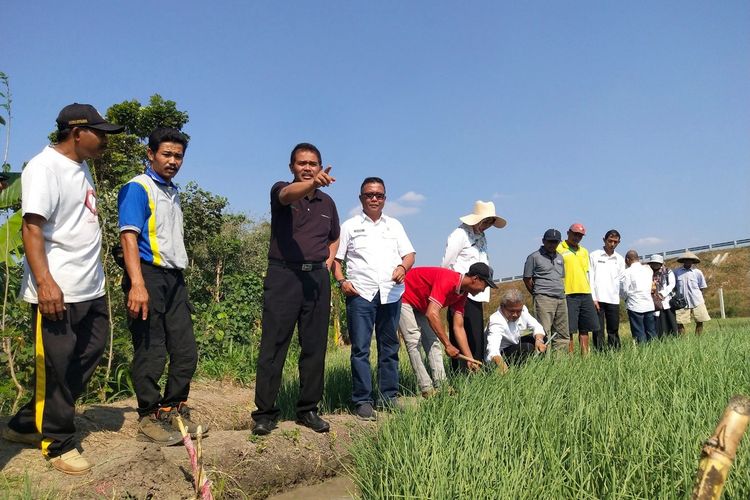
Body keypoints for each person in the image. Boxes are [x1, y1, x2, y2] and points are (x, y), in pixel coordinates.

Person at [1, 104, 123, 474]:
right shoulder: (45, 167)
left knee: (89, 352)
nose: (104, 140)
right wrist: (46, 283)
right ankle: (57, 444)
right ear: (76, 132)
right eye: (99, 133)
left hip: (90, 288)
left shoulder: (79, 166)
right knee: (57, 366)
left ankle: (27, 422)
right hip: (58, 290)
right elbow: (31, 228)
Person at [118, 128, 205, 445]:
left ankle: (173, 408)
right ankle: (149, 416)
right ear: (150, 153)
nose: (173, 161)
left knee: (186, 351)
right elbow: (128, 237)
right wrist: (137, 284)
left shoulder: (171, 191)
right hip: (147, 275)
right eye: (166, 154)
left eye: (178, 155)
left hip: (173, 278)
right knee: (151, 349)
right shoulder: (137, 188)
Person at [252, 143, 340, 436]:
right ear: (291, 167)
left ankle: (308, 410)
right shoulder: (282, 191)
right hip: (283, 276)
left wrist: (326, 264)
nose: (307, 167)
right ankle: (265, 413)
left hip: (316, 279)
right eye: (301, 163)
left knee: (314, 347)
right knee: (273, 346)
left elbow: (334, 238)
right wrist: (310, 184)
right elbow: (287, 194)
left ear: (320, 165)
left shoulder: (328, 204)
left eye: (312, 163)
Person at [333, 177, 416, 421]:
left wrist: (403, 267)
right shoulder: (349, 226)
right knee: (360, 348)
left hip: (390, 293)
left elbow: (409, 254)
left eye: (379, 195)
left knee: (389, 347)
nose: (374, 199)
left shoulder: (395, 225)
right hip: (361, 294)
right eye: (369, 195)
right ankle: (362, 399)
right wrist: (342, 282)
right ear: (361, 198)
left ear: (385, 199)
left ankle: (388, 396)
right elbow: (337, 261)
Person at [399, 263, 495, 397]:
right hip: (404, 294)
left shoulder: (462, 294)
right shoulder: (448, 280)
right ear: (476, 279)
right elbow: (432, 314)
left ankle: (442, 386)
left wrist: (470, 359)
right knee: (414, 340)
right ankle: (426, 388)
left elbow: (458, 326)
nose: (484, 290)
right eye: (485, 285)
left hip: (422, 304)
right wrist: (448, 345)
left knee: (433, 342)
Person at [441, 201, 506, 372]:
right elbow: (447, 264)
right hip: (460, 292)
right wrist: (451, 290)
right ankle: (460, 373)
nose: (487, 226)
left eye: (490, 223)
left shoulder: (482, 237)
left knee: (476, 335)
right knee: (461, 333)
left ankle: (477, 368)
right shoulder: (459, 234)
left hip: (477, 293)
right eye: (485, 221)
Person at [523, 229, 569, 351]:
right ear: (543, 241)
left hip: (560, 297)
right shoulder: (534, 257)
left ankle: (560, 363)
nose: (552, 244)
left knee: (562, 333)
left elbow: (560, 276)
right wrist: (536, 293)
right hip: (543, 297)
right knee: (543, 332)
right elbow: (527, 278)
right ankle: (545, 362)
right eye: (549, 241)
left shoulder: (560, 257)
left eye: (555, 242)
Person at [557, 223, 599, 354]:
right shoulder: (559, 248)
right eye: (575, 234)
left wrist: (593, 295)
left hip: (585, 292)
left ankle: (585, 356)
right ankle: (570, 358)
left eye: (580, 235)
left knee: (585, 328)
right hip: (568, 293)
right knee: (569, 329)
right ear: (568, 232)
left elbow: (588, 273)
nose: (577, 237)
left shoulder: (584, 251)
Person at [485, 289, 547, 372]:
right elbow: (493, 348)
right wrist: (500, 363)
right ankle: (519, 372)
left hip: (515, 343)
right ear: (502, 306)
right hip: (502, 353)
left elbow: (537, 327)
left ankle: (537, 370)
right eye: (511, 311)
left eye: (518, 311)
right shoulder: (496, 320)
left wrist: (539, 340)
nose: (515, 314)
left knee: (541, 338)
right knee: (527, 348)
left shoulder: (523, 310)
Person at [589, 230, 625, 349]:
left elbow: (621, 279)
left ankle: (615, 351)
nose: (612, 244)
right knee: (598, 328)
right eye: (610, 241)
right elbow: (590, 278)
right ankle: (599, 352)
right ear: (604, 240)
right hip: (598, 298)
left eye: (615, 242)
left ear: (619, 242)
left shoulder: (619, 259)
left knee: (613, 328)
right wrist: (593, 298)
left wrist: (621, 297)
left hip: (613, 298)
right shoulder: (594, 255)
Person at [620, 250, 656, 343]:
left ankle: (643, 352)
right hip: (648, 304)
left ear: (627, 260)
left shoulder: (627, 272)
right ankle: (655, 351)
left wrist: (625, 299)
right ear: (638, 258)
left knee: (639, 332)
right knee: (651, 331)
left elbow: (624, 290)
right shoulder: (648, 270)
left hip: (635, 304)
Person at [673, 251, 710, 335]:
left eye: (690, 260)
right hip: (682, 301)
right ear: (683, 261)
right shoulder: (676, 272)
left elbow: (701, 287)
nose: (688, 262)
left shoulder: (698, 272)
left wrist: (699, 296)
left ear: (693, 261)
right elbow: (674, 286)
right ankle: (683, 340)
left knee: (700, 320)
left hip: (697, 300)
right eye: (686, 260)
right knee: (679, 321)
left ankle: (698, 339)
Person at [647, 254, 677, 337]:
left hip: (666, 300)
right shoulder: (648, 273)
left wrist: (662, 294)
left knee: (669, 319)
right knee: (657, 321)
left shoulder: (667, 272)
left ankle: (673, 336)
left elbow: (672, 284)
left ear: (661, 263)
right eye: (653, 263)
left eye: (657, 263)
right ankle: (660, 338)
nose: (655, 265)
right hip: (654, 301)